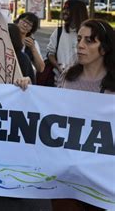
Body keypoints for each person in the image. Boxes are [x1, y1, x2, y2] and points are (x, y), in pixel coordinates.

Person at [51, 19, 114, 210]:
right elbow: (51, 112)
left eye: (89, 40)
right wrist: (26, 91)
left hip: (102, 180)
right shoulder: (68, 77)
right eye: (79, 39)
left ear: (104, 48)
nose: (80, 45)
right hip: (66, 177)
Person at [47, 0, 88, 83]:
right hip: (59, 83)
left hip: (82, 84)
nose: (64, 12)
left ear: (78, 12)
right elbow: (50, 53)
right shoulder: (58, 32)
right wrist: (58, 67)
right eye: (64, 9)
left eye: (68, 10)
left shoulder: (90, 34)